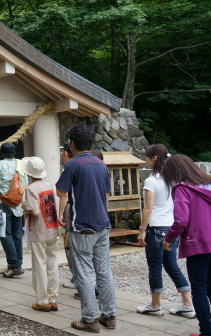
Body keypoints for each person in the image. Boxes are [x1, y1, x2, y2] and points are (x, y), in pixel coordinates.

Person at [161, 154, 211, 336]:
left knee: (199, 288)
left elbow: (181, 221)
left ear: (174, 172)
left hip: (199, 246)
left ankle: (206, 332)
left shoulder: (182, 189)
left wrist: (168, 239)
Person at [56, 124, 116, 333]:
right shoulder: (101, 165)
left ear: (72, 144)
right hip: (103, 225)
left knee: (83, 272)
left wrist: (66, 163)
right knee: (104, 271)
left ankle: (89, 319)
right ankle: (109, 316)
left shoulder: (72, 165)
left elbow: (60, 191)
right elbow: (106, 195)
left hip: (82, 226)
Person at [136, 144, 194, 318]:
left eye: (147, 157)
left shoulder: (151, 180)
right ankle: (188, 304)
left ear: (154, 158)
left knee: (155, 267)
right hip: (171, 228)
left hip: (155, 228)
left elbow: (148, 208)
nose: (145, 160)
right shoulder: (174, 179)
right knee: (171, 265)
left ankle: (155, 305)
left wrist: (142, 230)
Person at [22, 157, 60, 312]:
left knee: (40, 265)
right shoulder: (48, 185)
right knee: (52, 264)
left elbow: (36, 212)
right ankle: (53, 299)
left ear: (30, 173)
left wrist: (26, 207)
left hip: (39, 230)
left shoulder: (31, 188)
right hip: (52, 228)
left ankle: (43, 301)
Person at [0, 142, 27, 278]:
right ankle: (17, 263)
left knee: (5, 235)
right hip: (19, 204)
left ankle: (15, 265)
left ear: (2, 153)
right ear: (14, 152)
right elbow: (25, 184)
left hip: (4, 203)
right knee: (17, 234)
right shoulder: (20, 164)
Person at [58, 143, 76, 290]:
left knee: (69, 242)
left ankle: (76, 276)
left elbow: (63, 194)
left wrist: (60, 213)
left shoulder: (69, 168)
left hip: (70, 208)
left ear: (65, 153)